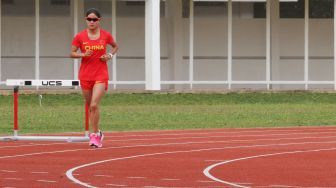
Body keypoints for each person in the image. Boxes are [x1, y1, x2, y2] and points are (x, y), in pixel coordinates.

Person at [70, 8, 119, 148]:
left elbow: (115, 47)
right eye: (89, 19)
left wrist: (109, 55)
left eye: (94, 19)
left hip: (101, 74)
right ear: (85, 20)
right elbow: (72, 53)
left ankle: (94, 136)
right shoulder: (80, 36)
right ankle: (98, 132)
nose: (91, 22)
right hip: (85, 75)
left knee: (93, 105)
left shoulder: (105, 35)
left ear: (99, 21)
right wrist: (83, 55)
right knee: (90, 107)